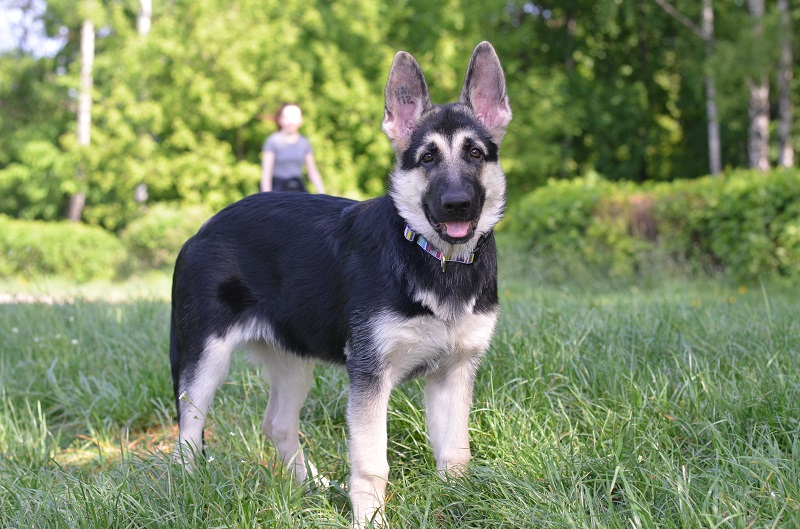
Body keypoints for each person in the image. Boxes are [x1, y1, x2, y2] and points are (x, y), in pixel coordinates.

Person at [260, 103, 326, 194]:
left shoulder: (304, 143)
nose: (291, 121)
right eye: (287, 117)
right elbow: (266, 173)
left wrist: (322, 193)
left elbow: (313, 172)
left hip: (298, 188)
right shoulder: (273, 141)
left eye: (294, 117)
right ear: (280, 120)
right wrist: (266, 196)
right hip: (278, 188)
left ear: (301, 120)